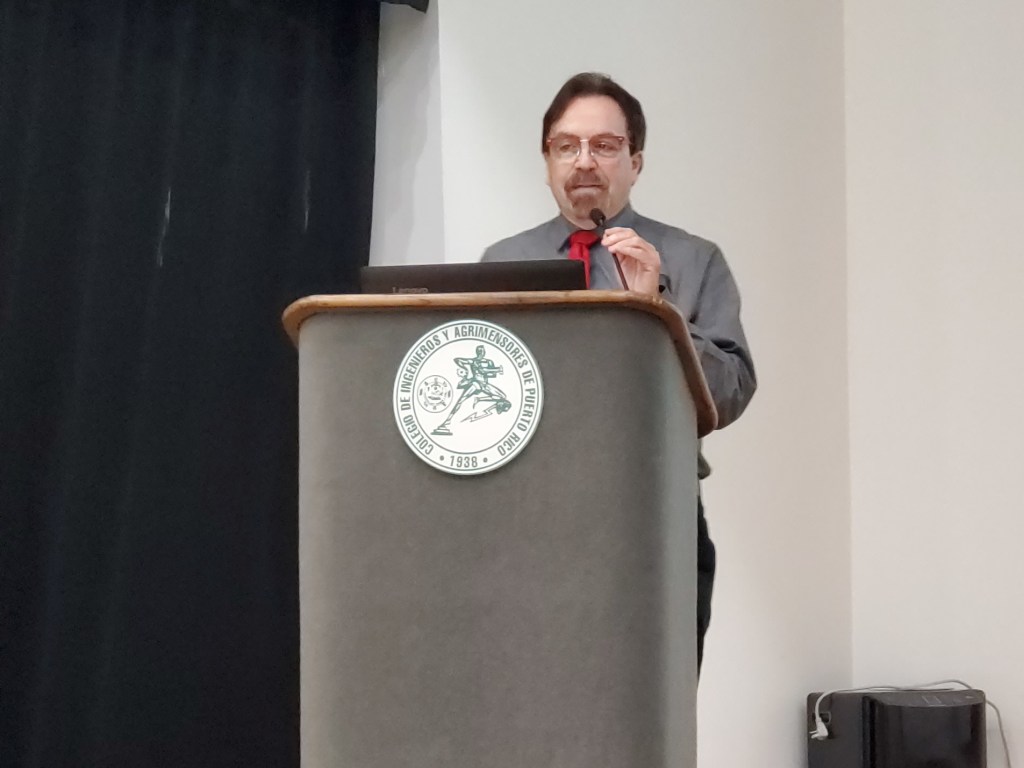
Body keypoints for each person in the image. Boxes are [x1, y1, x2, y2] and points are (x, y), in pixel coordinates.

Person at [481, 72, 757, 672]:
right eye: (566, 146)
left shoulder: (691, 259)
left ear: (635, 162)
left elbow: (731, 393)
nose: (584, 162)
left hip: (653, 517)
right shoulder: (501, 264)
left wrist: (653, 308)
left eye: (604, 146)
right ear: (547, 160)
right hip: (522, 521)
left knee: (645, 718)